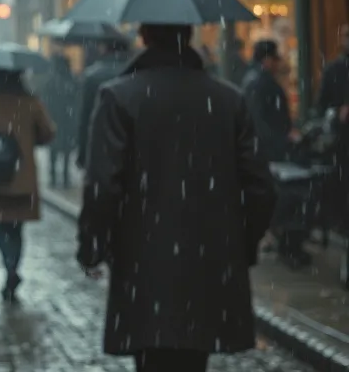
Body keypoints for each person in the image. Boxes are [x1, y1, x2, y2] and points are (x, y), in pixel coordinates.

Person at [78, 23, 276, 372]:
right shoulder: (228, 99)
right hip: (209, 262)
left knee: (153, 358)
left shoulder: (120, 96)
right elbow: (260, 187)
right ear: (189, 36)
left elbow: (103, 186)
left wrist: (92, 246)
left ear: (144, 37)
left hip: (144, 264)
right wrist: (239, 246)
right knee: (193, 358)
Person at [0, 69, 55, 303]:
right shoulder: (31, 102)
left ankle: (9, 267)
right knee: (17, 227)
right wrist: (27, 136)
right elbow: (47, 133)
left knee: (1, 225)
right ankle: (13, 266)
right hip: (21, 174)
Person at [75, 38, 130, 169]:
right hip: (128, 146)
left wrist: (83, 153)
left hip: (99, 144)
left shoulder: (92, 76)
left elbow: (85, 117)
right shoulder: (133, 74)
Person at [42, 53, 79, 187]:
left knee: (54, 150)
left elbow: (46, 101)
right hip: (66, 119)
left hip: (55, 118)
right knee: (66, 150)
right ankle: (64, 177)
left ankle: (53, 177)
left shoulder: (51, 81)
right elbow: (75, 101)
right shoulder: (71, 81)